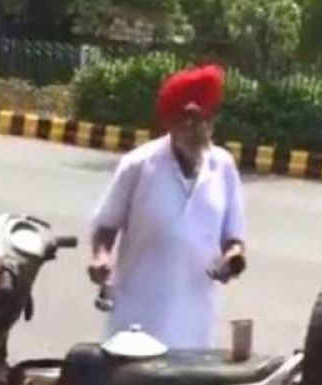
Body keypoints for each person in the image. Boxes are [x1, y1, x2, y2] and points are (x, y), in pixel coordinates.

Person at [88, 64, 247, 349]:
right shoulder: (138, 165)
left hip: (196, 323)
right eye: (185, 120)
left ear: (211, 124)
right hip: (138, 318)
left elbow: (233, 238)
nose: (193, 128)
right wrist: (101, 258)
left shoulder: (223, 167)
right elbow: (106, 226)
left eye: (200, 120)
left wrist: (232, 261)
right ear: (171, 123)